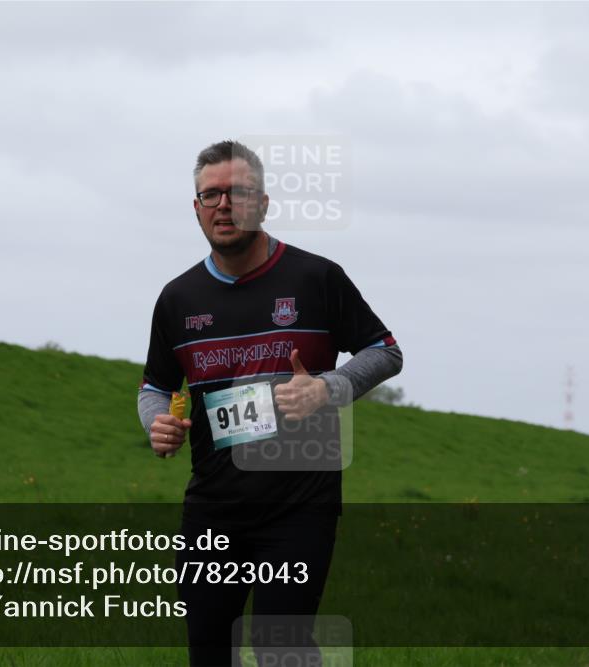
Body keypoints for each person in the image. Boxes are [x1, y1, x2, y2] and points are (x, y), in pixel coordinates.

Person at [137, 140, 402, 665]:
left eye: (237, 192)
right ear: (196, 208)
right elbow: (155, 388)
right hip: (213, 506)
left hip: (300, 504)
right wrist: (158, 424)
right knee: (210, 650)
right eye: (209, 195)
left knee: (282, 646)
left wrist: (328, 388)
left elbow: (385, 352)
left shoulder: (315, 277)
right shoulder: (177, 299)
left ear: (262, 202)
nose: (223, 205)